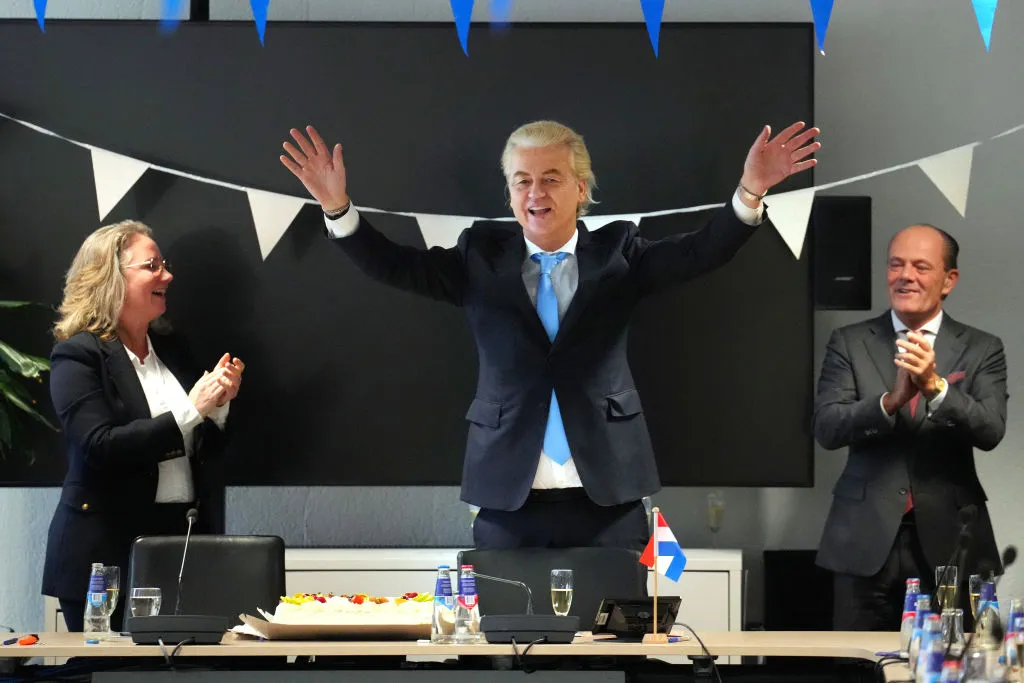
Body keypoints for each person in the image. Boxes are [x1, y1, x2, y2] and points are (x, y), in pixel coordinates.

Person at [281, 119, 819, 550]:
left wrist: (751, 191)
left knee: (614, 653)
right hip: (507, 501)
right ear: (511, 193)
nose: (535, 191)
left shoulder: (619, 253)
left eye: (551, 178)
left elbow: (702, 251)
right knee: (509, 653)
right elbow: (395, 266)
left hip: (608, 499)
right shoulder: (479, 255)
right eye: (522, 180)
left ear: (581, 187)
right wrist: (337, 208)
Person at [41, 220, 245, 631]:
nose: (167, 275)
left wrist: (217, 407)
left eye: (164, 264)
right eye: (152, 266)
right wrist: (193, 409)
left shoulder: (173, 348)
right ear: (110, 278)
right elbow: (99, 447)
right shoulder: (77, 355)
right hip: (108, 552)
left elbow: (201, 452)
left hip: (182, 546)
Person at [814, 224, 1007, 631]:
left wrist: (936, 387)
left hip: (952, 539)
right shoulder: (849, 342)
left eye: (921, 266)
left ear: (948, 280)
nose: (906, 275)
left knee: (952, 665)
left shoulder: (982, 348)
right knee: (856, 668)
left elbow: (990, 430)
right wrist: (890, 401)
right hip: (862, 538)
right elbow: (828, 428)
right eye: (896, 264)